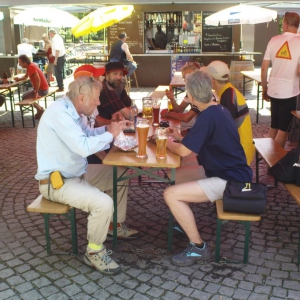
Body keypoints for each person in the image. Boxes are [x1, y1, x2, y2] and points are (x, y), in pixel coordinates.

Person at [35, 75, 139, 275]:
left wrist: (109, 128)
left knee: (119, 172)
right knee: (102, 203)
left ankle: (113, 225)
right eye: (96, 99)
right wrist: (112, 134)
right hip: (56, 183)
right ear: (82, 98)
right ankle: (94, 252)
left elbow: (87, 134)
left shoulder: (72, 110)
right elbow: (83, 147)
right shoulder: (60, 114)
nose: (99, 103)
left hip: (75, 175)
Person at [163, 71, 253, 267]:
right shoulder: (218, 110)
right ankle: (183, 220)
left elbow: (183, 151)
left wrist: (163, 141)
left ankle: (198, 247)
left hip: (230, 181)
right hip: (232, 172)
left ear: (193, 98)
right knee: (177, 177)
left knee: (171, 194)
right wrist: (178, 135)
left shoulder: (207, 117)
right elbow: (198, 137)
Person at [203, 60, 255, 166]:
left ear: (212, 81)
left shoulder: (228, 95)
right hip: (239, 147)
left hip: (239, 153)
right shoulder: (228, 91)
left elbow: (225, 130)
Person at [261, 12, 300, 148]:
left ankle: (265, 157)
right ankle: (275, 163)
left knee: (274, 127)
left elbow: (263, 69)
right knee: (283, 131)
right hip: (289, 91)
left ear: (286, 23)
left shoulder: (274, 40)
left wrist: (264, 89)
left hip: (273, 89)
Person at [161, 62, 201, 132]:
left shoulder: (201, 93)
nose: (187, 79)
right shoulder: (192, 91)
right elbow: (179, 110)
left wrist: (167, 114)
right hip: (199, 128)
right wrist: (172, 99)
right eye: (185, 77)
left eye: (190, 76)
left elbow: (186, 118)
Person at [14, 55, 48, 119]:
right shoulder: (30, 66)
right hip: (42, 88)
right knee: (25, 96)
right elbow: (26, 76)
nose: (19, 64)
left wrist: (36, 91)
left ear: (25, 62)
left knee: (24, 97)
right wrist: (18, 79)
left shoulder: (31, 67)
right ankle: (40, 109)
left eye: (20, 62)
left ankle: (40, 110)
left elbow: (38, 80)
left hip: (42, 90)